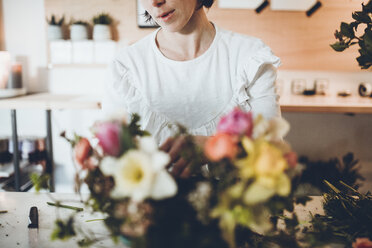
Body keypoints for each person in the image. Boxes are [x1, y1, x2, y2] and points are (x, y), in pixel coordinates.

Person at [103, 0, 281, 178]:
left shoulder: (250, 58)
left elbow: (272, 154)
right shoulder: (126, 67)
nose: (155, 2)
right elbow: (111, 163)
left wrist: (215, 147)